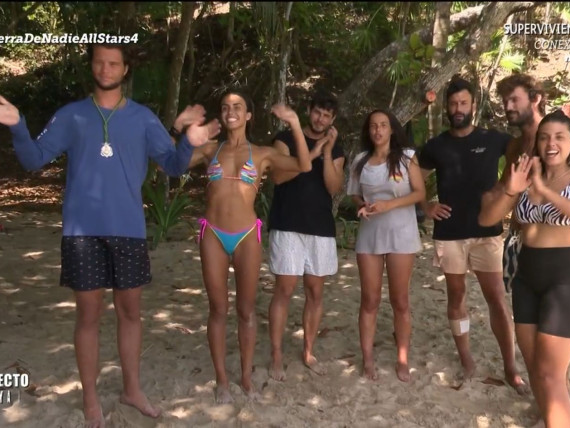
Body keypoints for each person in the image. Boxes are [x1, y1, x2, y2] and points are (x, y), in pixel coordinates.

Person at [0, 43, 219, 428]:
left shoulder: (143, 118)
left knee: (130, 312)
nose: (106, 68)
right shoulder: (72, 116)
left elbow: (170, 165)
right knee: (88, 315)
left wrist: (188, 143)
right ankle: (90, 399)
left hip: (129, 230)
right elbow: (33, 160)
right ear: (91, 67)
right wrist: (18, 124)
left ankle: (131, 389)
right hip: (82, 231)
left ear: (125, 69)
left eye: (114, 63)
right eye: (99, 62)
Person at [478, 73, 570, 416]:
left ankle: (561, 411)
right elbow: (486, 219)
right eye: (544, 139)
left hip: (563, 279)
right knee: (537, 371)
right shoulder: (527, 170)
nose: (550, 143)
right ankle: (556, 414)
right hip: (526, 277)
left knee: (550, 373)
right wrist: (514, 189)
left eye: (559, 137)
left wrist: (545, 194)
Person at [187, 89, 312, 403]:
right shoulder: (209, 150)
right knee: (218, 309)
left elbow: (305, 166)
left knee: (246, 310)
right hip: (213, 233)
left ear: (248, 115)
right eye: (226, 107)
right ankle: (221, 380)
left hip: (246, 235)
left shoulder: (263, 153)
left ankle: (245, 376)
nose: (231, 111)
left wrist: (295, 123)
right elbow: (170, 164)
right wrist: (186, 133)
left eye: (238, 106)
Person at [417, 77, 526, 392]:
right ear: (446, 107)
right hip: (449, 233)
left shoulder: (494, 140)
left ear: (473, 105)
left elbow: (525, 151)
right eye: (453, 104)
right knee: (457, 297)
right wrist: (425, 204)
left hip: (487, 233)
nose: (458, 109)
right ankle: (466, 360)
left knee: (497, 299)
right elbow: (413, 175)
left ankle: (511, 367)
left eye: (463, 103)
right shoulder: (436, 145)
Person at [266, 90, 345, 380]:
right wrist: (311, 153)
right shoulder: (285, 140)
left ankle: (308, 351)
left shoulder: (336, 150)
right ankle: (276, 355)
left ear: (333, 119)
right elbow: (278, 176)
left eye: (327, 115)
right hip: (287, 224)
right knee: (284, 290)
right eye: (317, 112)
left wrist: (326, 151)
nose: (320, 119)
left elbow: (334, 187)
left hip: (320, 229)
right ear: (308, 110)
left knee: (315, 292)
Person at [346, 109, 425, 382]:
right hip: (370, 234)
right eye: (373, 126)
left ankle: (402, 359)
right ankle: (367, 360)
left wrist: (389, 204)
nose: (378, 130)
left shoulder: (407, 158)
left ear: (392, 129)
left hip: (402, 234)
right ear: (368, 131)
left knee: (399, 300)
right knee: (369, 300)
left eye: (383, 125)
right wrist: (362, 206)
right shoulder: (360, 161)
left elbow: (420, 193)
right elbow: (354, 194)